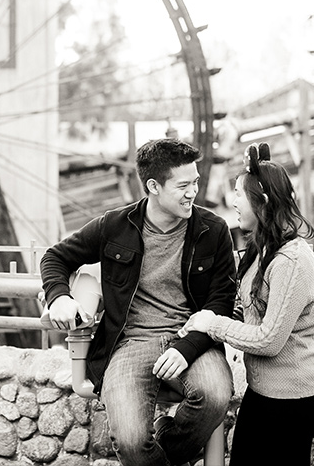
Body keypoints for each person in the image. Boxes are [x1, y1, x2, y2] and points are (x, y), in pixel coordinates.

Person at [41, 138, 236, 466]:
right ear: (153, 186)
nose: (193, 193)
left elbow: (222, 301)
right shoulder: (114, 226)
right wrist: (58, 296)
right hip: (130, 342)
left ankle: (166, 440)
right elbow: (55, 257)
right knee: (130, 442)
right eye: (184, 185)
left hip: (193, 339)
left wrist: (186, 348)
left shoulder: (212, 229)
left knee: (215, 397)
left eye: (196, 183)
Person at [180, 142, 314, 466]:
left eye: (238, 194)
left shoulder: (292, 260)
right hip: (263, 395)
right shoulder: (262, 250)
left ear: (263, 202)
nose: (231, 201)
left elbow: (270, 340)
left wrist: (213, 325)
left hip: (292, 400)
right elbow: (243, 306)